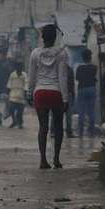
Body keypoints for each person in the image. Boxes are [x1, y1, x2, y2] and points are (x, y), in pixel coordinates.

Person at [28, 24, 69, 170]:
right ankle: (56, 160)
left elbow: (31, 77)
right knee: (58, 127)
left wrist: (29, 92)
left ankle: (43, 160)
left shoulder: (35, 53)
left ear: (42, 37)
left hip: (40, 93)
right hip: (56, 93)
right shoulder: (62, 53)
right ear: (55, 37)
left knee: (43, 127)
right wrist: (65, 99)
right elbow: (62, 77)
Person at [75, 50, 98, 137]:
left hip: (82, 89)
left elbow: (77, 78)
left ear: (83, 58)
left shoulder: (79, 68)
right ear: (90, 57)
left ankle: (80, 132)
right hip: (91, 89)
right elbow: (94, 77)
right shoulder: (94, 67)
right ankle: (91, 132)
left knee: (81, 112)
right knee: (91, 111)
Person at [6, 62, 28, 129]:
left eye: (20, 67)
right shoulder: (12, 75)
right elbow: (9, 84)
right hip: (13, 94)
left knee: (20, 111)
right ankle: (14, 121)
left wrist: (25, 93)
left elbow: (26, 84)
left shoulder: (24, 75)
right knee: (11, 109)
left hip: (21, 95)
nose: (19, 68)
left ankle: (20, 123)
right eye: (18, 67)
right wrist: (7, 94)